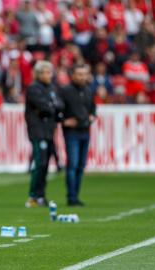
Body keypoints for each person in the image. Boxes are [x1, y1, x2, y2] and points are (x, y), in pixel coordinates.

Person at [24, 60, 64, 208]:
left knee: (45, 164)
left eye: (50, 72)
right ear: (38, 74)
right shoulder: (33, 88)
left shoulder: (52, 88)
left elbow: (60, 104)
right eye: (46, 72)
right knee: (40, 162)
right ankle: (33, 196)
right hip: (37, 130)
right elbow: (45, 106)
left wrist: (51, 106)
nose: (49, 75)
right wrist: (52, 106)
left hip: (48, 130)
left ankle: (41, 195)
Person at [59, 64, 96, 207]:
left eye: (84, 74)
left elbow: (93, 108)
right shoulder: (65, 91)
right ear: (72, 75)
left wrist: (93, 116)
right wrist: (64, 121)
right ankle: (71, 196)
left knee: (80, 166)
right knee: (73, 164)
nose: (82, 77)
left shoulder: (88, 90)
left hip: (85, 131)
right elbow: (57, 108)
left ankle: (76, 195)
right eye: (79, 74)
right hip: (72, 132)